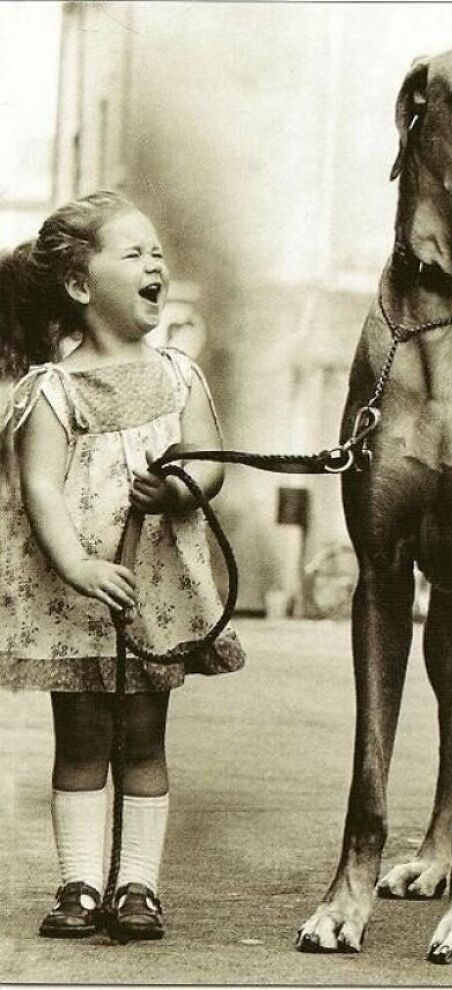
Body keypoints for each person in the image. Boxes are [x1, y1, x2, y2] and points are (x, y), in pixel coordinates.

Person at [0, 190, 245, 942]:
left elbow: (209, 467)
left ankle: (138, 885)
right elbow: (38, 484)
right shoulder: (53, 389)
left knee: (144, 736)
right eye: (134, 254)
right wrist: (75, 564)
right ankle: (77, 884)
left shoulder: (179, 377)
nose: (155, 265)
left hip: (152, 597)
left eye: (158, 254)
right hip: (78, 598)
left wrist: (178, 488)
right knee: (79, 742)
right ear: (80, 285)